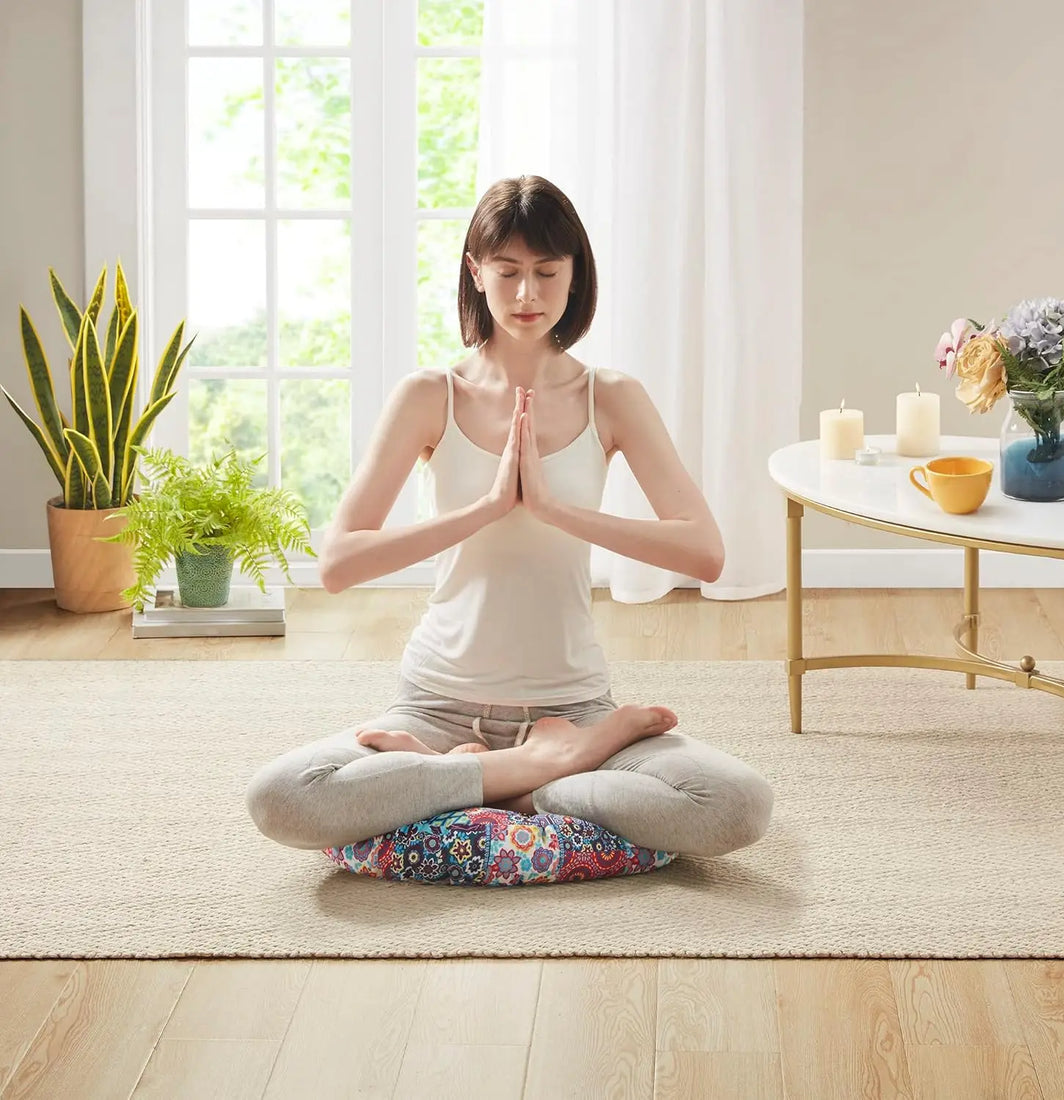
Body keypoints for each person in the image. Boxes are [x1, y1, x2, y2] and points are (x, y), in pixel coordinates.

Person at [245, 175, 774, 858]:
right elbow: (339, 564)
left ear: (576, 275)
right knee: (282, 796)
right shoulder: (430, 395)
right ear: (475, 271)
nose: (527, 295)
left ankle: (486, 779)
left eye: (548, 272)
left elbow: (705, 553)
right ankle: (536, 774)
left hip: (573, 706)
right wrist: (486, 508)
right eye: (509, 272)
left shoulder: (610, 397)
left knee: (735, 805)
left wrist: (555, 509)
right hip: (436, 704)